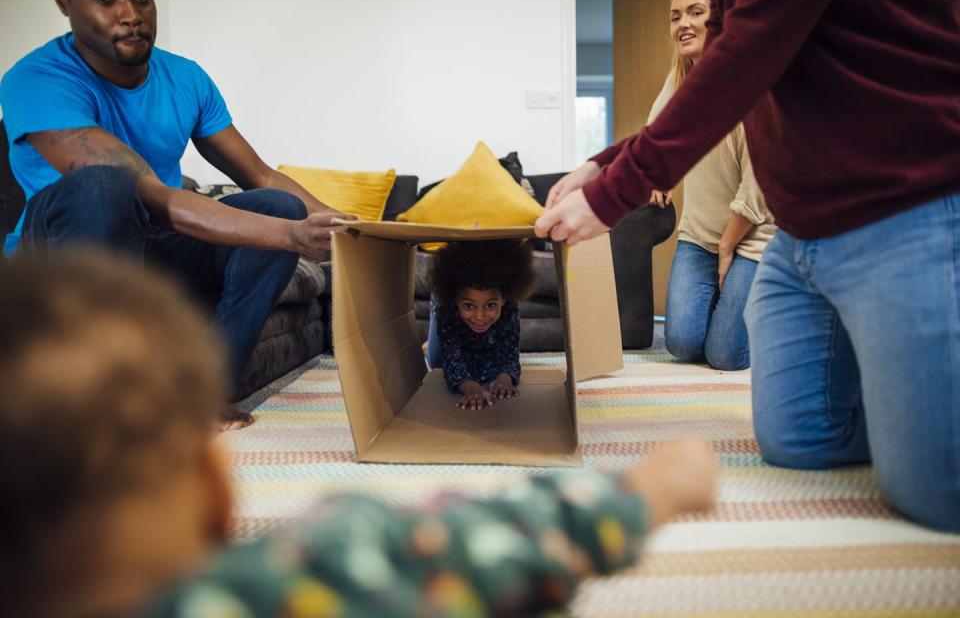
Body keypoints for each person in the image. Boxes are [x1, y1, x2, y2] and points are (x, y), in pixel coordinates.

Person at [0, 250, 718, 618]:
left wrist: (502, 382)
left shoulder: (501, 318)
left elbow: (505, 360)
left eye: (487, 304)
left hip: (494, 374)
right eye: (466, 303)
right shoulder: (269, 587)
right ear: (217, 489)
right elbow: (470, 541)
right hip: (455, 376)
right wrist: (647, 490)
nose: (478, 312)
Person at [535, 0, 960, 532]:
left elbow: (743, 58)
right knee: (799, 440)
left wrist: (616, 191)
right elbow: (719, 68)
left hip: (903, 208)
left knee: (934, 491)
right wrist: (602, 165)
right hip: (800, 234)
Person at [0, 0, 352, 422]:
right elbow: (150, 192)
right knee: (106, 187)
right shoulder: (33, 80)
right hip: (60, 256)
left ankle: (201, 394)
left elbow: (260, 175)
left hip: (155, 245)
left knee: (279, 206)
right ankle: (103, 402)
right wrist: (292, 236)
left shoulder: (185, 77)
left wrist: (354, 228)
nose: (131, 14)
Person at [641, 0, 775, 370]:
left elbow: (757, 191)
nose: (683, 24)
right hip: (699, 235)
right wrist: (659, 175)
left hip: (754, 237)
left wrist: (728, 249)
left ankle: (778, 320)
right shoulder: (682, 79)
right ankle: (729, 306)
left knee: (726, 356)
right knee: (681, 344)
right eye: (675, 16)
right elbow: (658, 132)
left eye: (696, 13)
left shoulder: (754, 89)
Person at [426, 239, 535, 410]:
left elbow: (509, 353)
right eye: (469, 305)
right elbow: (451, 360)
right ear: (455, 299)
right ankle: (430, 340)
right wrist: (470, 388)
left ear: (504, 298)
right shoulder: (446, 305)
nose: (479, 316)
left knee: (488, 369)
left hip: (489, 335)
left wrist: (504, 379)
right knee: (436, 364)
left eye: (490, 305)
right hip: (447, 315)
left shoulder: (510, 305)